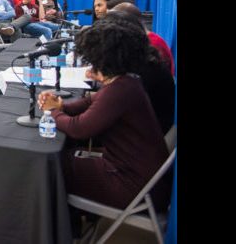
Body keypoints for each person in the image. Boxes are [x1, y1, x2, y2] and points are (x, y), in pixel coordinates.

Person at [37, 15, 170, 211]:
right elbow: (90, 101)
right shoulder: (127, 81)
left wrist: (53, 111)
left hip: (134, 187)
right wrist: (62, 106)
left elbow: (79, 128)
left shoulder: (120, 90)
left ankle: (60, 232)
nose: (89, 67)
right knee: (67, 156)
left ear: (105, 59)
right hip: (140, 177)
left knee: (49, 166)